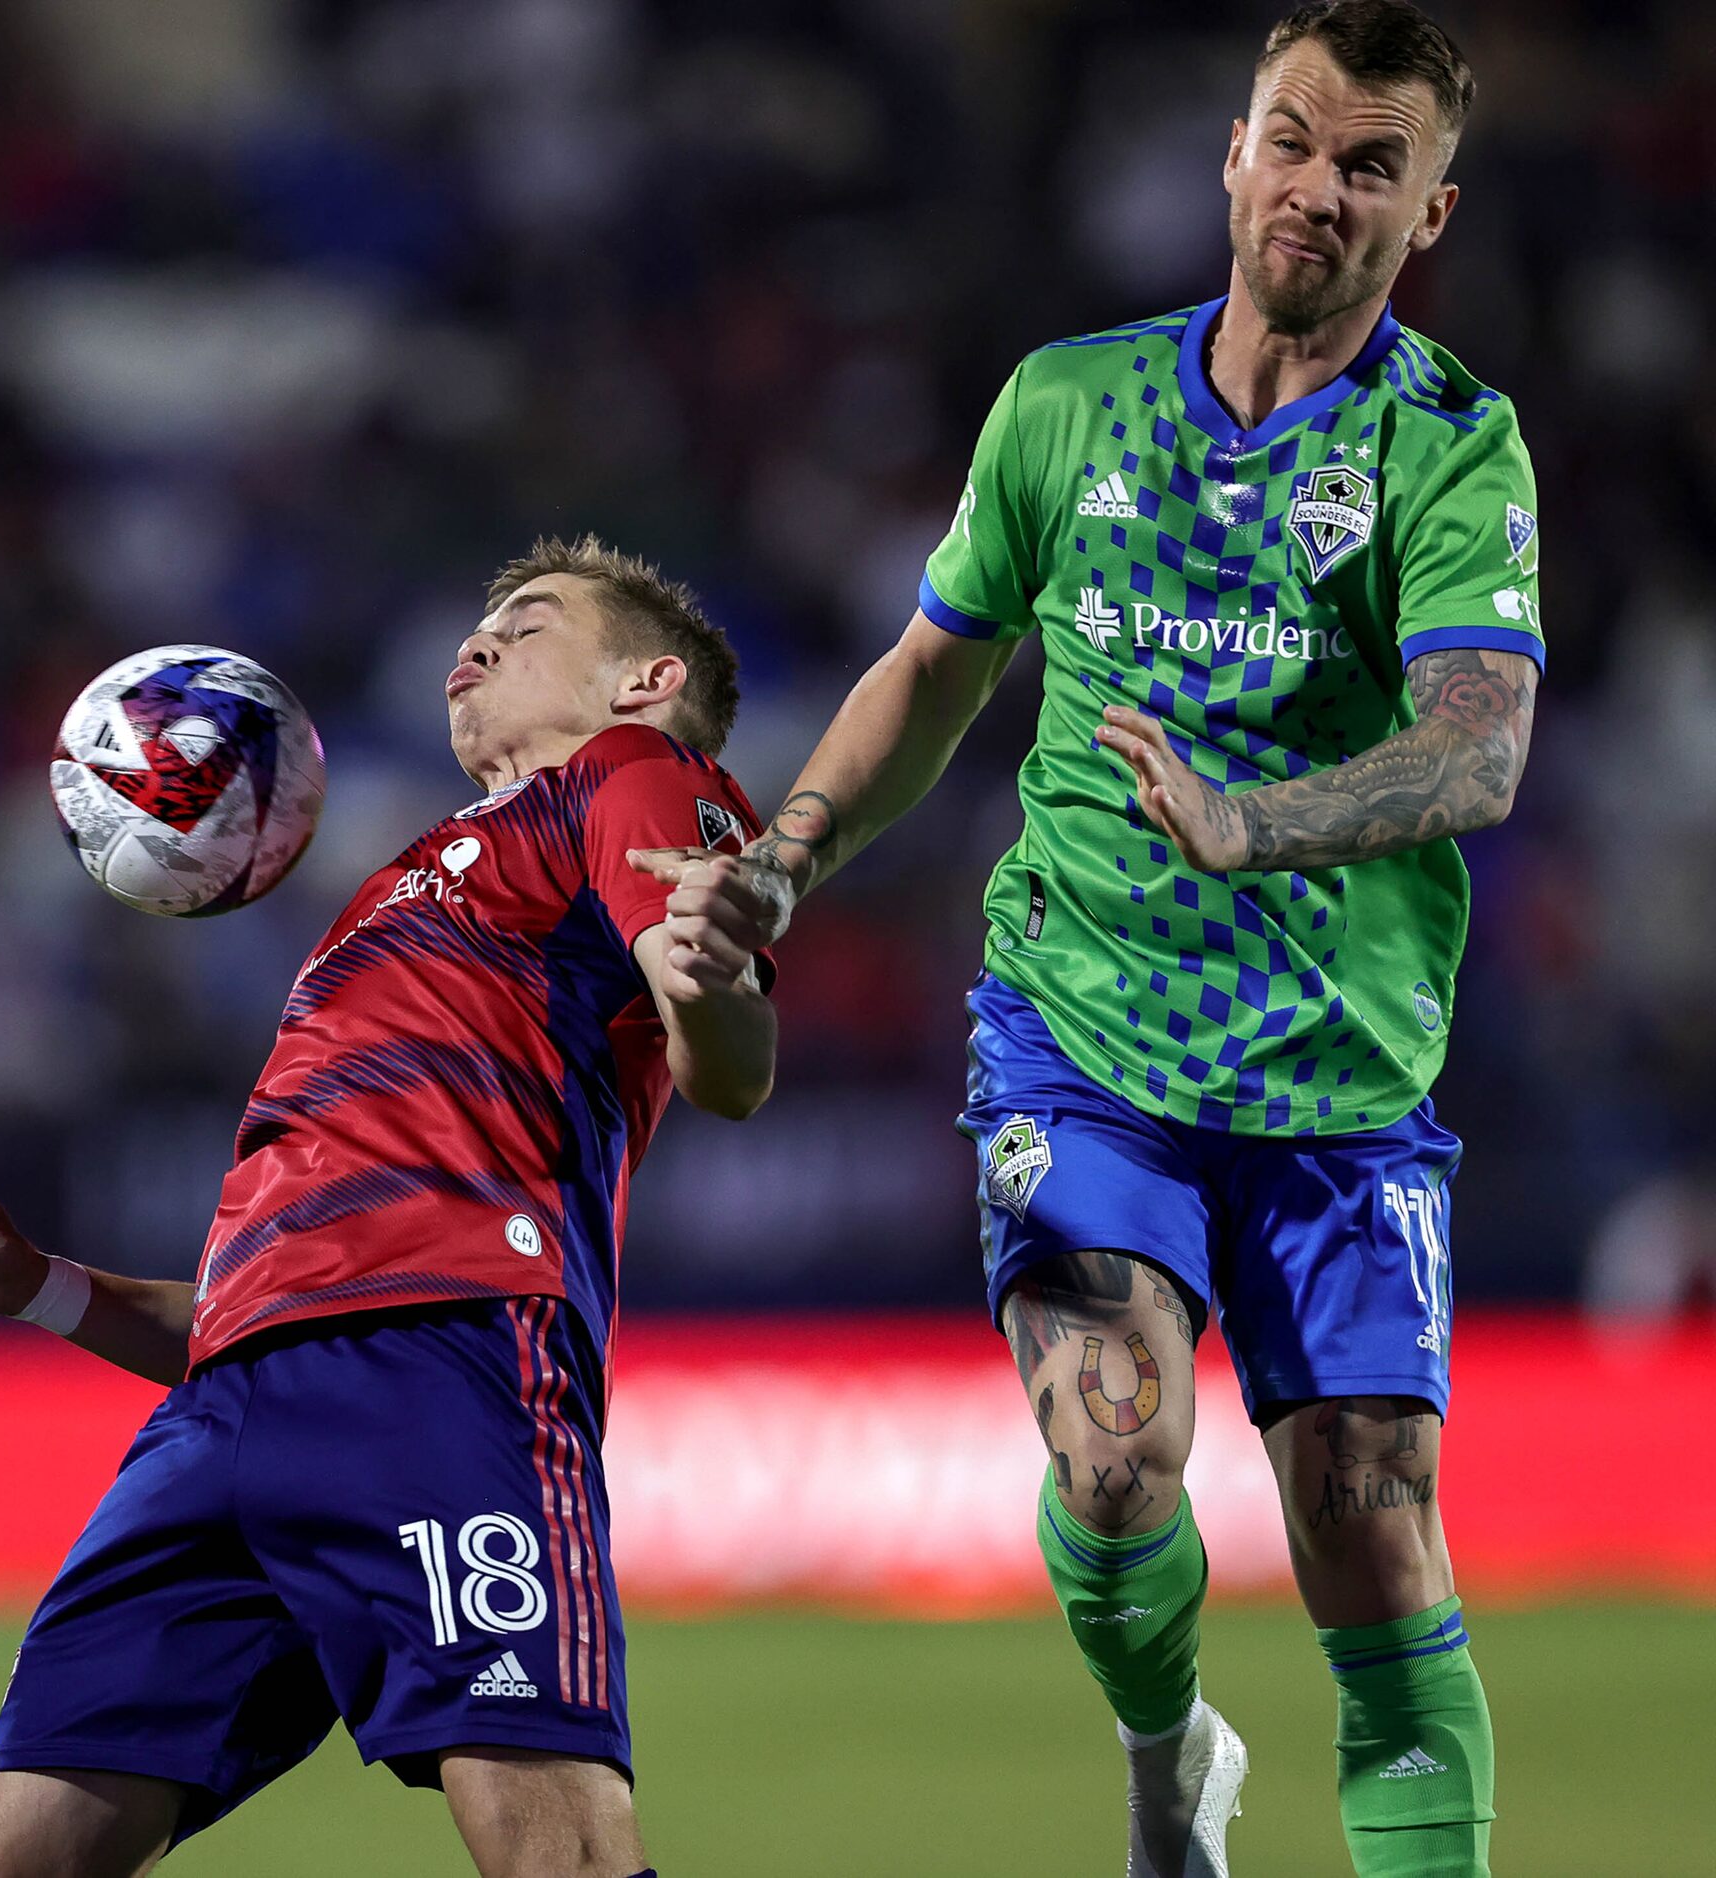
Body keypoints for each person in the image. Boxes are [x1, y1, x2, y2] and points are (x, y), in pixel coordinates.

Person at [636, 4, 1537, 1873]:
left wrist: (1255, 822)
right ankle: (1162, 1756)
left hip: (1339, 1085)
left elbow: (1479, 741)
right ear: (1232, 152)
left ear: (1428, 213)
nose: (1322, 189)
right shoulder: (1068, 404)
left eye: (1376, 165)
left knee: (1372, 1534)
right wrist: (788, 859)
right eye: (1295, 139)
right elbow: (932, 676)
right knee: (1118, 1456)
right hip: (1087, 1043)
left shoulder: (1454, 452)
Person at [0, 534, 777, 1878]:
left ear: (646, 678)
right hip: (221, 1418)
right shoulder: (404, 889)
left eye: (529, 619)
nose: (484, 637)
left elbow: (729, 1057)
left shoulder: (632, 778)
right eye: (482, 616)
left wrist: (707, 986)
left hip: (446, 1361)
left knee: (551, 1838)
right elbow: (265, 1309)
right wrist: (39, 1283)